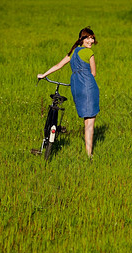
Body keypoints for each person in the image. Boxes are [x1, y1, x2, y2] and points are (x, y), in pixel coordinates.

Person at [37, 27, 100, 157]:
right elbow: (93, 73)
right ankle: (89, 155)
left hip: (76, 88)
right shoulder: (89, 53)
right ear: (82, 39)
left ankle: (88, 153)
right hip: (88, 87)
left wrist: (44, 74)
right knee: (90, 122)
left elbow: (58, 66)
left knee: (86, 120)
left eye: (92, 38)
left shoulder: (73, 53)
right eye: (88, 38)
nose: (90, 41)